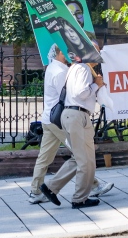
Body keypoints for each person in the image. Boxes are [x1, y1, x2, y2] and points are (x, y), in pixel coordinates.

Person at [28, 46, 112, 205]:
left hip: (49, 118)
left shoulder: (53, 68)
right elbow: (72, 94)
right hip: (60, 119)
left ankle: (36, 191)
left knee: (45, 158)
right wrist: (96, 85)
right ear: (59, 53)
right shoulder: (62, 72)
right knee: (81, 156)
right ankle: (92, 187)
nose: (68, 56)